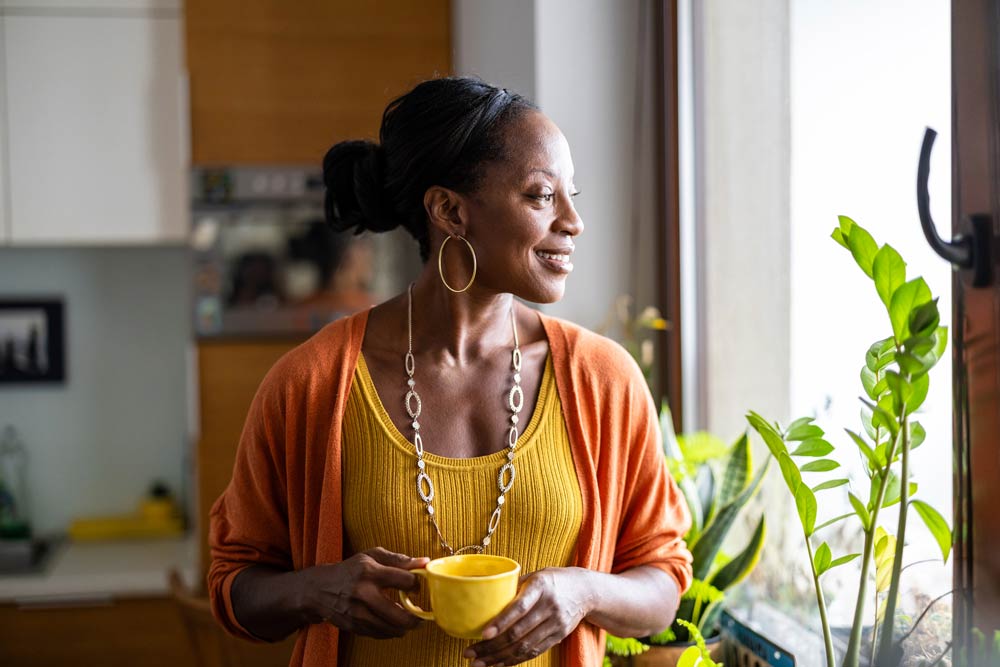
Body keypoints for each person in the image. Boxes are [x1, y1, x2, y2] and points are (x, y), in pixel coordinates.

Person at [208, 76, 693, 667]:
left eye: (572, 195)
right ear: (450, 210)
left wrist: (584, 592)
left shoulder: (604, 381)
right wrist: (319, 590)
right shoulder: (311, 383)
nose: (573, 222)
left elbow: (663, 585)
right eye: (542, 196)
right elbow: (234, 584)